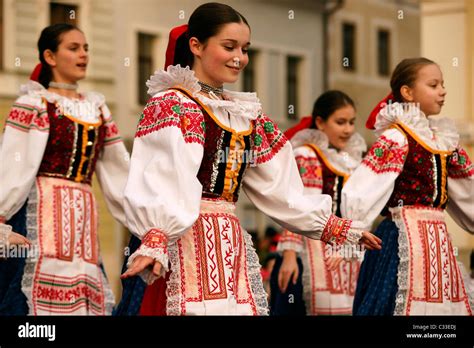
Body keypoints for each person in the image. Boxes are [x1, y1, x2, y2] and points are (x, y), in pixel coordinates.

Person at [116, 2, 381, 316]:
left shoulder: (245, 116)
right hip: (179, 244)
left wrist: (335, 227)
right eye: (229, 46)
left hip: (229, 246)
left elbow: (279, 190)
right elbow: (160, 177)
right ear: (196, 46)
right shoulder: (174, 104)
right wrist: (156, 235)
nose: (239, 58)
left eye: (244, 49)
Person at [0, 23, 130, 315]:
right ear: (50, 56)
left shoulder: (97, 108)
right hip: (39, 214)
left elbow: (120, 171)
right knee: (30, 304)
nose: (83, 55)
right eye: (73, 48)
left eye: (86, 49)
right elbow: (11, 166)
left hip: (83, 220)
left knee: (85, 295)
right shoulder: (33, 103)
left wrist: (149, 225)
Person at [341, 57, 473, 315]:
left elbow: (466, 191)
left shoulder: (444, 141)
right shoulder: (397, 136)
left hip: (437, 241)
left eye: (442, 84)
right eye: (434, 85)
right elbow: (365, 186)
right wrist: (353, 230)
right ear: (407, 92)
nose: (442, 91)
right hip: (402, 238)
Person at [270, 91, 366, 316]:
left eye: (352, 122)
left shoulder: (348, 159)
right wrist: (290, 255)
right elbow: (297, 206)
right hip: (313, 247)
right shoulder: (308, 154)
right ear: (320, 123)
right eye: (340, 122)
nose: (348, 129)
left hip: (346, 249)